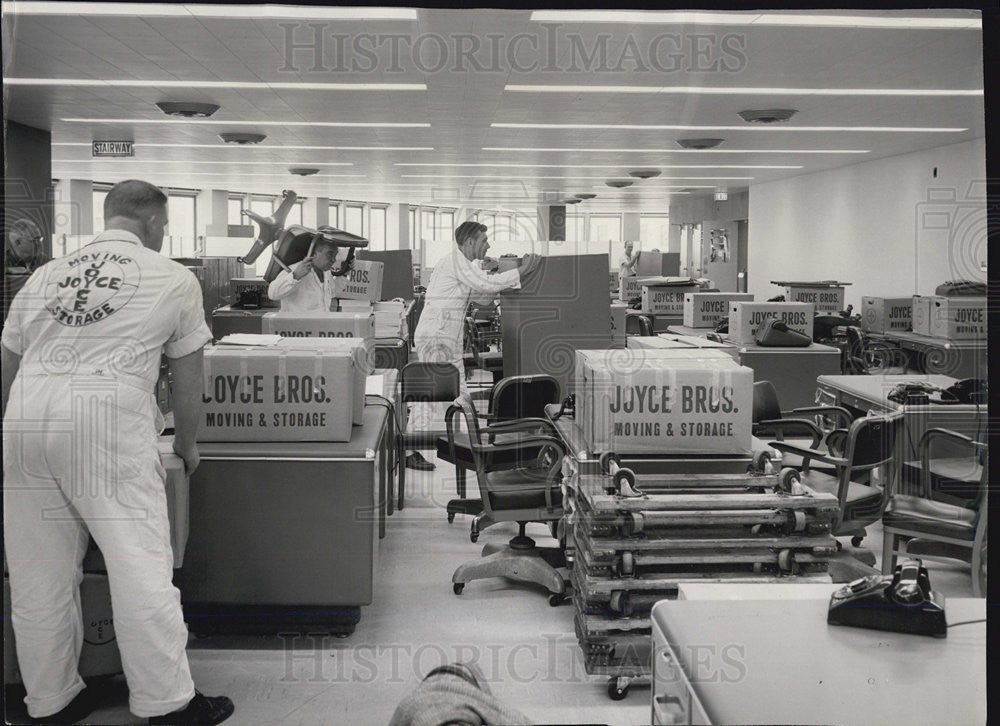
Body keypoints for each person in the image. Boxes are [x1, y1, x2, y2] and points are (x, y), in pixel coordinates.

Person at [2, 180, 234, 725]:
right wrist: (187, 443)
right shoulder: (172, 277)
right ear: (154, 223)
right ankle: (167, 703)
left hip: (24, 421)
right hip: (103, 420)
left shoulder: (43, 276)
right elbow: (188, 376)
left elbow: (8, 365)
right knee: (139, 566)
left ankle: (50, 701)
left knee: (39, 575)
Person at [407, 221, 539, 470]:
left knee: (438, 395)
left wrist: (490, 273)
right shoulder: (456, 262)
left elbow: (484, 296)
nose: (488, 245)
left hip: (442, 338)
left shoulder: (463, 266)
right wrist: (522, 270)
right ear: (469, 243)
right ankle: (467, 451)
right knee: (447, 395)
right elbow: (487, 288)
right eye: (483, 240)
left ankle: (437, 448)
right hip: (438, 337)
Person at [266, 237, 342, 313]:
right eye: (330, 254)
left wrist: (344, 274)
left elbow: (333, 292)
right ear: (314, 253)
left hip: (320, 323)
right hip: (297, 324)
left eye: (335, 255)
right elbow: (272, 294)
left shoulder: (326, 273)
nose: (333, 260)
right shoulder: (293, 270)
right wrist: (295, 276)